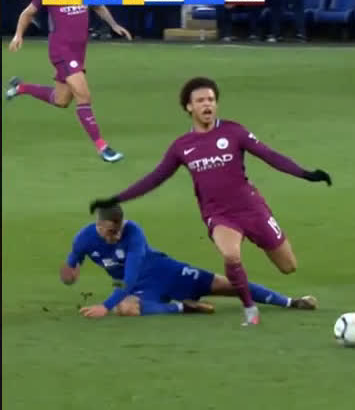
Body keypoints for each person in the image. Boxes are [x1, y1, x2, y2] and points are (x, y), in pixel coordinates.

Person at [89, 77, 332, 325]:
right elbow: (155, 178)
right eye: (201, 100)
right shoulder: (182, 147)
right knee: (231, 257)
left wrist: (305, 174)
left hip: (252, 208)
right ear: (189, 107)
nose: (207, 105)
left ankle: (267, 301)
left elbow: (269, 155)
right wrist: (117, 198)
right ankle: (250, 310)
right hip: (219, 215)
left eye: (211, 100)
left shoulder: (234, 131)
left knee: (288, 266)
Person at [65, 204, 318, 319]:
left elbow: (129, 276)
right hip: (141, 289)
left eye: (119, 230)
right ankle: (183, 308)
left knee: (228, 285)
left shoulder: (134, 233)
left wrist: (105, 306)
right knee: (126, 309)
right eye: (111, 232)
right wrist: (69, 274)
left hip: (166, 272)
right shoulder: (84, 239)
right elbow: (72, 263)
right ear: (99, 226)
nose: (116, 236)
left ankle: (291, 302)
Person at [6, 0, 131, 163]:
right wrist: (18, 35)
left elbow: (98, 6)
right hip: (61, 50)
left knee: (61, 100)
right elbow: (28, 13)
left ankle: (21, 87)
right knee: (84, 95)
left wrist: (114, 25)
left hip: (79, 51)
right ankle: (103, 148)